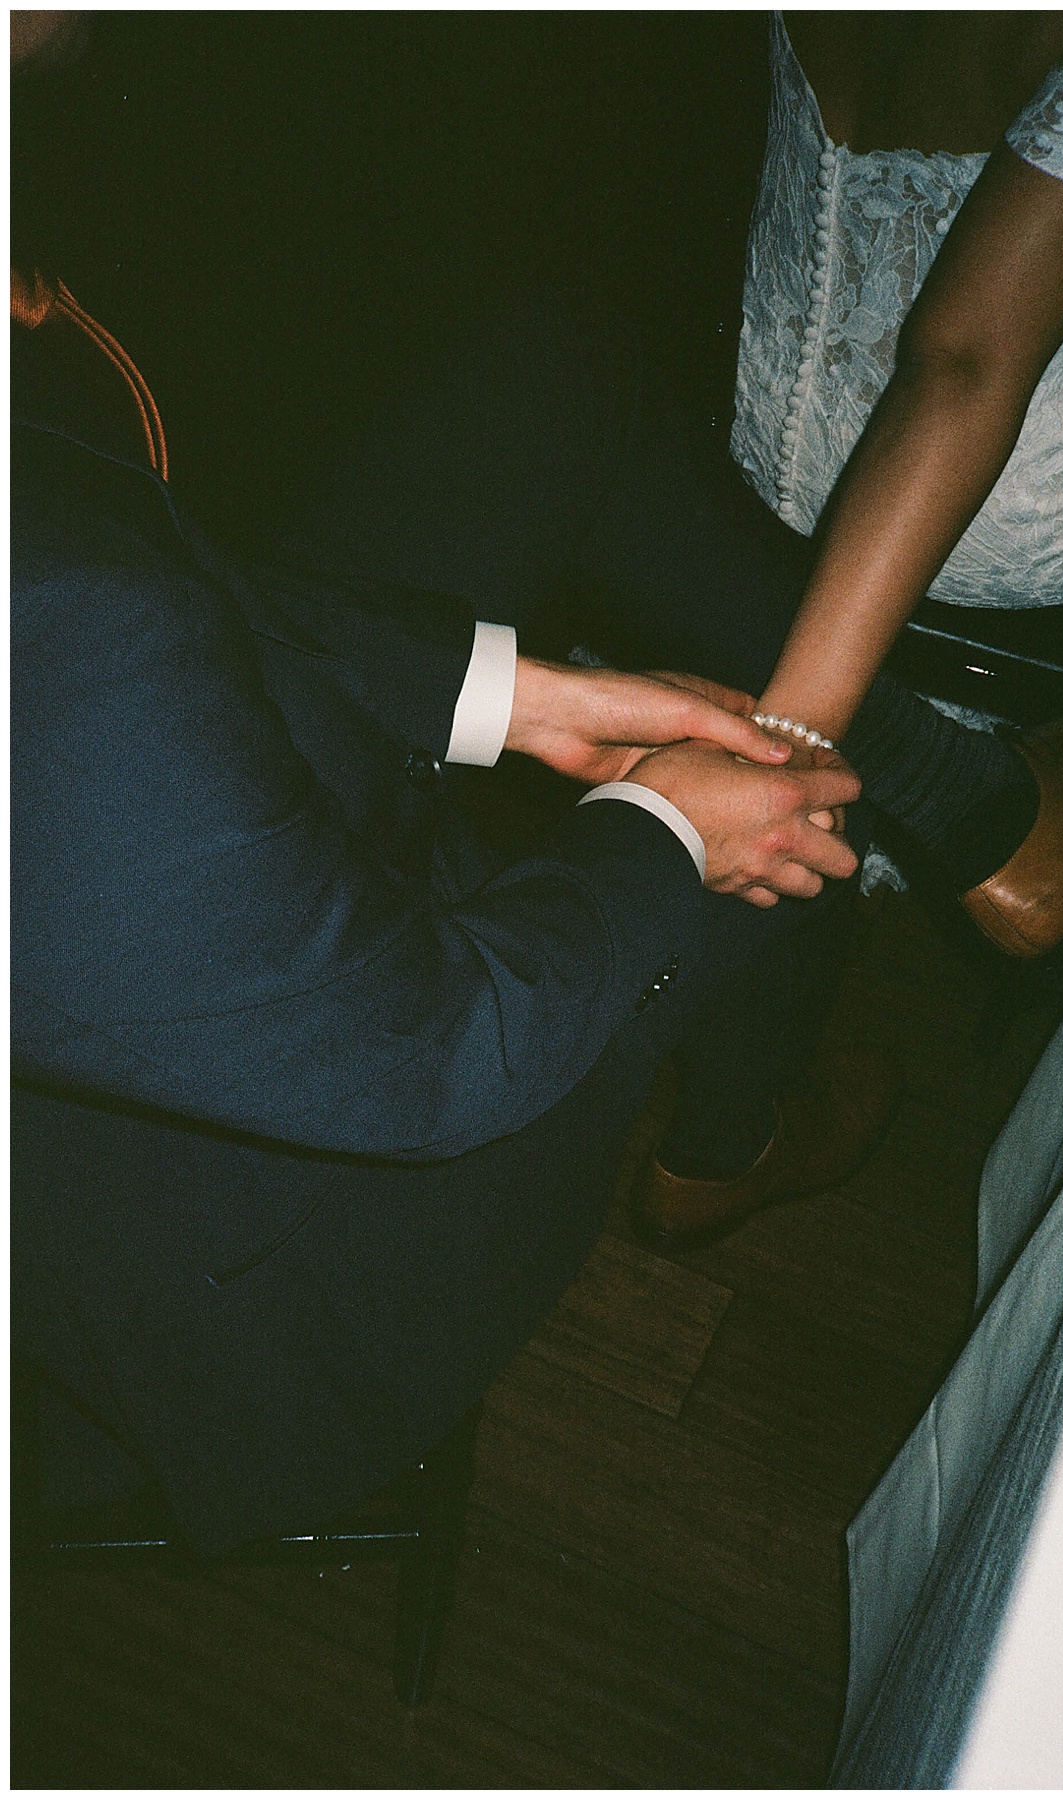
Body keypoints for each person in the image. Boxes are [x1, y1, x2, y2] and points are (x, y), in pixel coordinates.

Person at [12, 15, 878, 1552]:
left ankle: (971, 789)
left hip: (167, 896)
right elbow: (425, 1056)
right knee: (792, 801)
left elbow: (122, 581)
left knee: (545, 378)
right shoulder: (65, 628)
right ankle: (730, 1147)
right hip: (237, 1277)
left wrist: (515, 699)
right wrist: (665, 825)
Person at [728, 10, 1063, 956]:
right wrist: (787, 745)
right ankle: (1050, 773)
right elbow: (964, 365)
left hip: (758, 437)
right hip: (1019, 499)